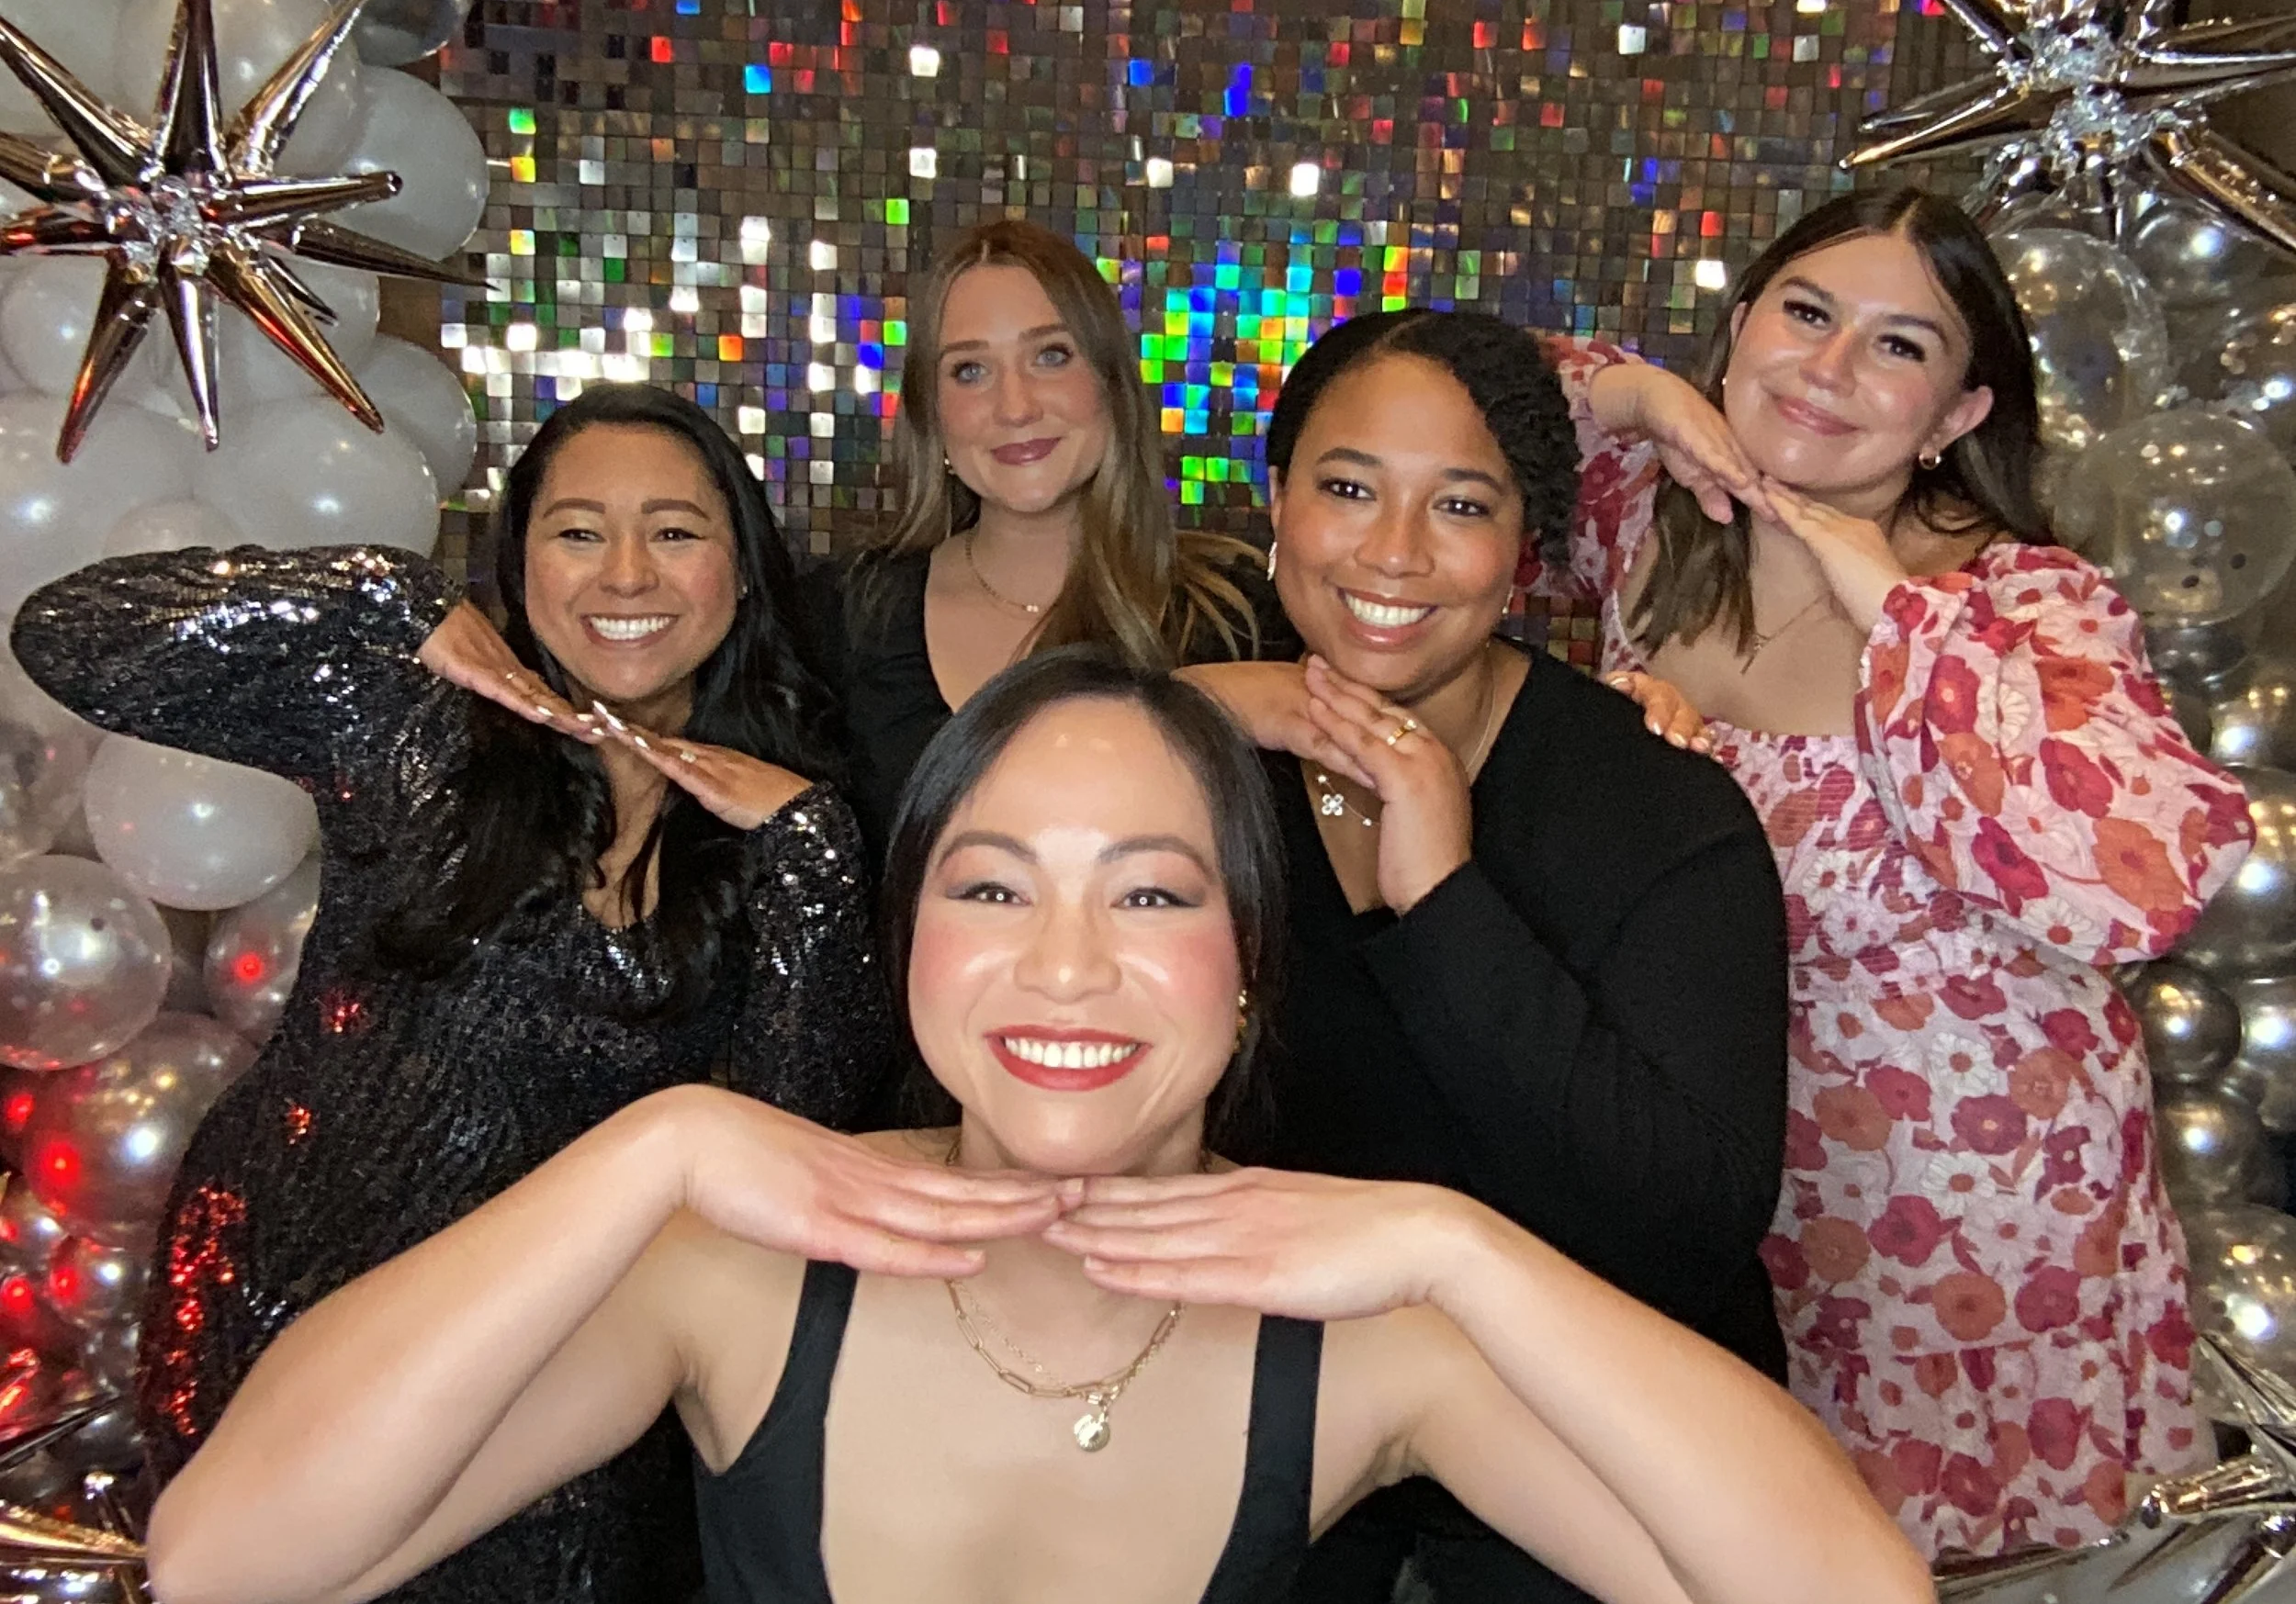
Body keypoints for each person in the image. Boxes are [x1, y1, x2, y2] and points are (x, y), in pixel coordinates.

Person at [139, 648, 1931, 1604]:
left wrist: (1457, 1243)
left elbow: (1846, 1586)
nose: (1063, 968)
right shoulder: (742, 1263)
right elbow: (231, 1554)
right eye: (991, 888)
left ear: (1246, 962)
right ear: (907, 941)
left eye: (1150, 898)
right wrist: (655, 1143)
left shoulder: (1366, 1325)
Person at [10, 384, 894, 1604]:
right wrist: (386, 587)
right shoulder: (417, 725)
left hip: (561, 1378)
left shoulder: (783, 829)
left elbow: (791, 1143)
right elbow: (69, 634)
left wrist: (810, 846)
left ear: (742, 569)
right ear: (518, 563)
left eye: (677, 531)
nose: (624, 573)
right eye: (578, 531)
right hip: (279, 1309)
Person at [1525, 185, 2256, 1559]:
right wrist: (1637, 400)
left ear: (1960, 417)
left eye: (1900, 347)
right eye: (1805, 313)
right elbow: (1455, 404)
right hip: (1723, 1187)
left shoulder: (2030, 604)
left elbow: (2141, 881)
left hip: (1968, 1241)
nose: (1830, 368)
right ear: (1739, 327)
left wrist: (1888, 600)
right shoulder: (1652, 528)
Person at [1184, 309, 1794, 1604]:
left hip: (1594, 1462)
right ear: (1276, 499)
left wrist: (1443, 898)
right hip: (1285, 1447)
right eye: (1348, 488)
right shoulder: (1184, 771)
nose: (1394, 552)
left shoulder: (1660, 804)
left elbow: (1685, 1221)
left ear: (1524, 549)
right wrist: (1176, 705)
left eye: (1460, 504)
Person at [802, 218, 1281, 858]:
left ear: (1110, 384)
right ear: (932, 416)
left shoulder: (1236, 621)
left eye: (1051, 355)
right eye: (970, 370)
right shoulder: (838, 619)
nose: (1016, 406)